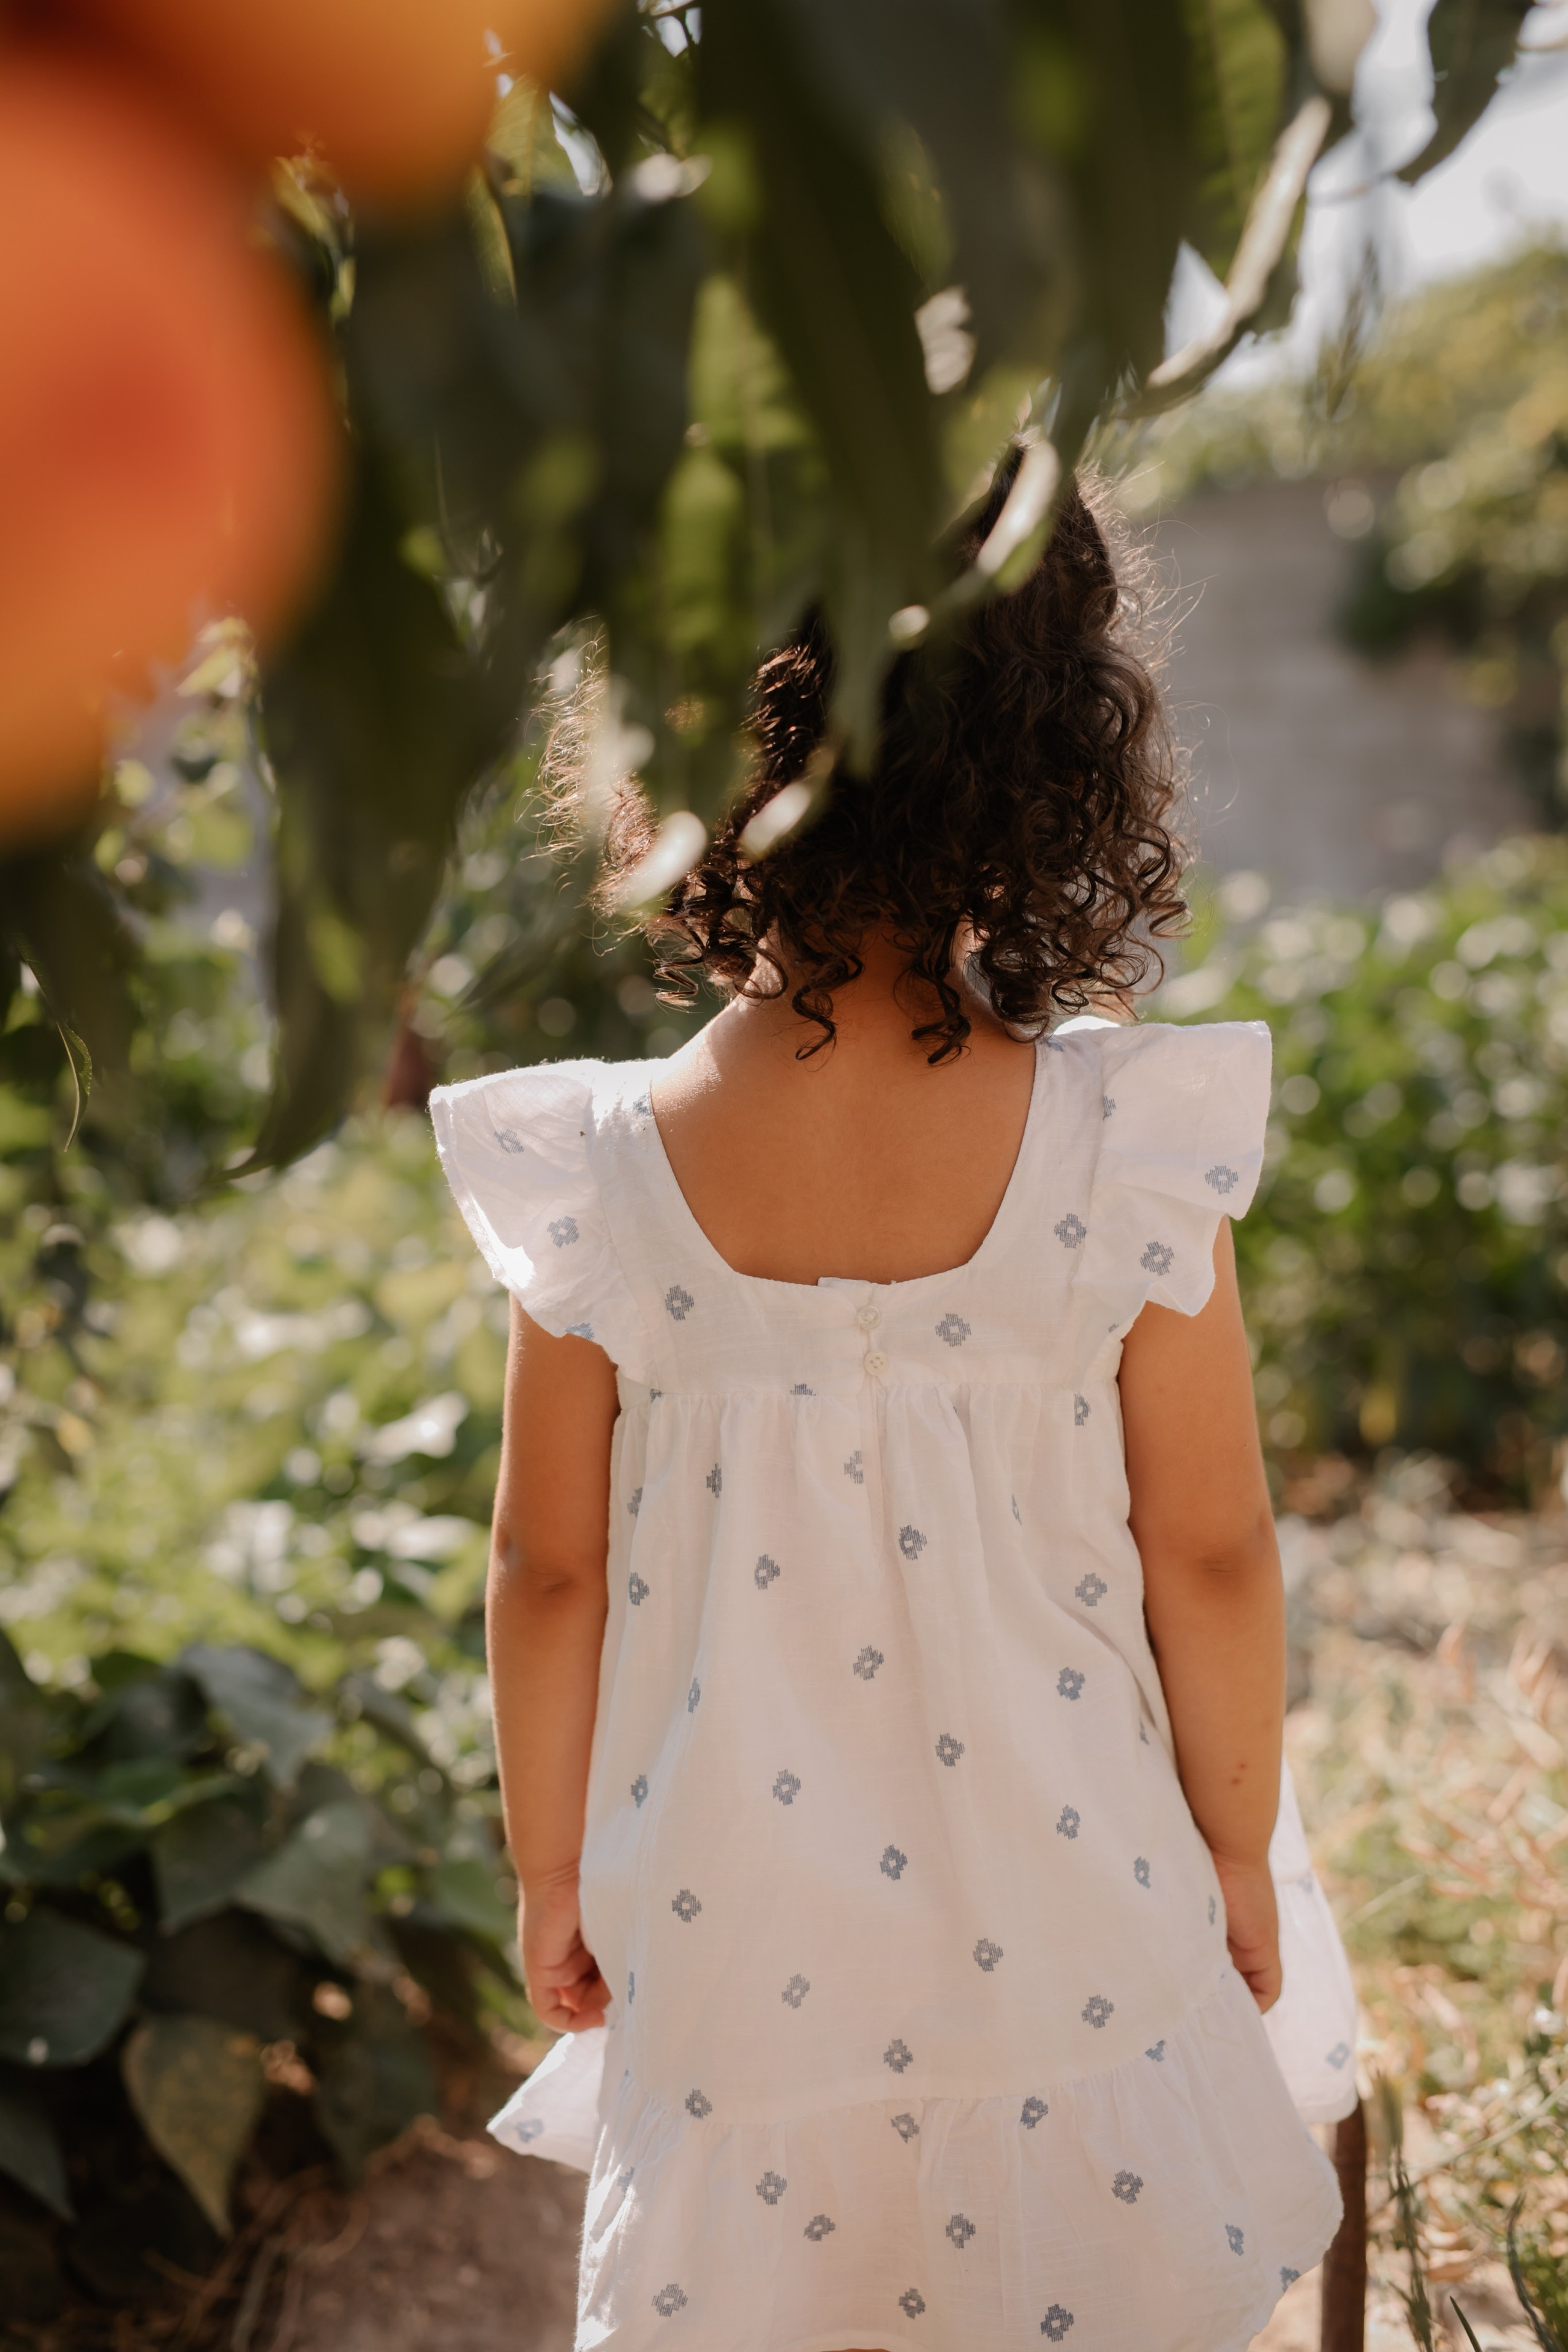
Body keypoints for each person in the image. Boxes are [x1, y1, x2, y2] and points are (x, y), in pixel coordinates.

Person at [429, 458, 1355, 2352]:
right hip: (1080, 1916)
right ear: (1055, 754)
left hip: (734, 1943)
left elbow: (545, 1573)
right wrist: (1238, 1844)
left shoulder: (597, 1171)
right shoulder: (1120, 1145)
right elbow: (1210, 1548)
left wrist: (549, 1874)